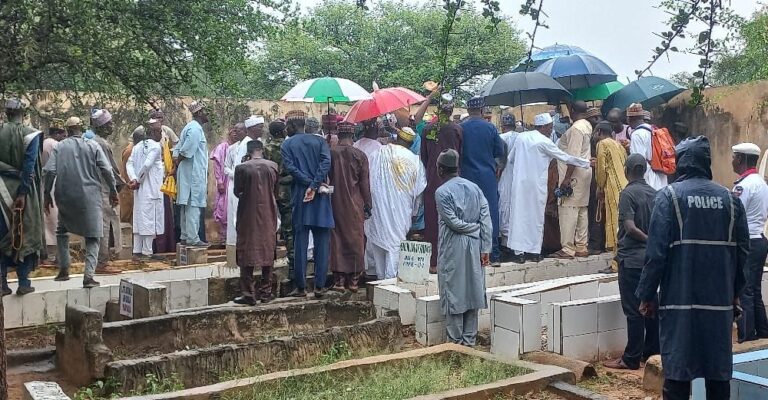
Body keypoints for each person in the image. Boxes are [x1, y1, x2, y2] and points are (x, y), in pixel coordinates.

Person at [636, 136, 749, 400]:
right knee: (717, 373)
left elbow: (656, 254)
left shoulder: (669, 197)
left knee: (677, 372)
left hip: (679, 304)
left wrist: (646, 295)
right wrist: (735, 293)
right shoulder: (731, 201)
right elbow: (742, 253)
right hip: (718, 304)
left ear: (682, 162)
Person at [504, 113, 590, 263]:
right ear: (542, 127)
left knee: (519, 216)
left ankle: (519, 253)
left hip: (520, 184)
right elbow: (565, 157)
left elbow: (510, 159)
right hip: (537, 185)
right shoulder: (544, 142)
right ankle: (534, 252)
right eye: (549, 128)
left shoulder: (521, 137)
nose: (551, 131)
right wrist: (586, 162)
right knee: (536, 218)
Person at [44, 114, 117, 288]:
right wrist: (113, 190)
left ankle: (64, 269)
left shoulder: (59, 147)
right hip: (89, 196)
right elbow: (107, 169)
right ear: (81, 128)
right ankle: (88, 276)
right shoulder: (92, 145)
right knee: (93, 236)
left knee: (62, 231)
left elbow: (49, 171)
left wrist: (46, 194)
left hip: (65, 196)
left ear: (68, 131)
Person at [603, 154, 659, 371]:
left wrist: (648, 240)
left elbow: (630, 227)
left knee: (633, 310)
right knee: (651, 305)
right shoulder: (654, 193)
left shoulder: (628, 193)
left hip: (632, 259)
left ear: (628, 170)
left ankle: (631, 358)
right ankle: (652, 353)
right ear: (643, 169)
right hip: (650, 261)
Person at [434, 149, 492, 346]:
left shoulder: (442, 192)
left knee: (454, 292)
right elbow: (486, 218)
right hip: (475, 246)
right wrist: (485, 247)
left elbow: (454, 223)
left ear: (440, 169)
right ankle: (469, 340)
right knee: (472, 291)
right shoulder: (475, 188)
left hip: (454, 247)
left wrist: (474, 230)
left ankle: (456, 343)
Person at [280, 110, 334, 298]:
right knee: (322, 242)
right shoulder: (320, 141)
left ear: (293, 126)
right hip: (320, 196)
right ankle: (319, 286)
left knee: (300, 243)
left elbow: (291, 169)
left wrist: (308, 185)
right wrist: (316, 184)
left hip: (301, 197)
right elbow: (326, 163)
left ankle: (301, 287)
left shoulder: (287, 144)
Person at [365, 127, 426, 279]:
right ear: (411, 143)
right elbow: (419, 191)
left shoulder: (378, 153)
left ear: (397, 138)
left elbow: (368, 178)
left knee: (379, 242)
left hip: (378, 207)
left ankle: (381, 279)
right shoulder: (415, 161)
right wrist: (414, 211)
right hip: (401, 210)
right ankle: (390, 282)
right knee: (395, 245)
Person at [0, 99, 43, 296]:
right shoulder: (30, 134)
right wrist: (23, 192)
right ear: (24, 114)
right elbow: (30, 164)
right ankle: (23, 282)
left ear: (6, 113)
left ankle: (2, 284)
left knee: (2, 234)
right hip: (24, 192)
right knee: (24, 234)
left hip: (1, 191)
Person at [459, 97, 506, 266]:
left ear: (468, 109)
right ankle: (493, 255)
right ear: (482, 109)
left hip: (466, 177)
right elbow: (500, 151)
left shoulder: (461, 128)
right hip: (487, 177)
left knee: (467, 215)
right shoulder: (491, 128)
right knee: (490, 214)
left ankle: (469, 255)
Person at [233, 139, 278, 304]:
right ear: (261, 150)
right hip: (268, 212)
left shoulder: (242, 168)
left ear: (248, 152)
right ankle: (266, 292)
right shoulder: (273, 166)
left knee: (246, 249)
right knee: (267, 248)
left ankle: (248, 293)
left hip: (248, 214)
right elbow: (276, 191)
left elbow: (238, 192)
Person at [328, 122, 372, 291]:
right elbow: (364, 184)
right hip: (355, 203)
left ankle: (339, 280)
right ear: (353, 135)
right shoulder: (360, 155)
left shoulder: (330, 153)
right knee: (356, 240)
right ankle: (353, 281)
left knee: (336, 239)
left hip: (334, 202)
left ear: (339, 135)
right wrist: (368, 205)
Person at [731, 143, 768, 342]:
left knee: (745, 291)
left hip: (748, 242)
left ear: (742, 159)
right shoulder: (761, 183)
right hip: (760, 240)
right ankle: (763, 333)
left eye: (734, 157)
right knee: (754, 290)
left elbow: (735, 215)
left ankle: (747, 337)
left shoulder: (743, 186)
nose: (732, 161)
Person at [421, 98, 462, 273]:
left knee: (432, 222)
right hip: (453, 180)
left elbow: (423, 157)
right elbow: (461, 154)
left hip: (433, 179)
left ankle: (434, 263)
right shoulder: (457, 129)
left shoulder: (427, 129)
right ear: (451, 110)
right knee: (453, 220)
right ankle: (451, 262)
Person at [554, 103, 600, 259]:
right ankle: (581, 246)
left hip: (574, 174)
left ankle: (567, 248)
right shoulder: (586, 125)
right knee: (581, 209)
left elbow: (572, 157)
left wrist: (566, 178)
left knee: (568, 209)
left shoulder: (576, 129)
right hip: (585, 172)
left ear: (572, 110)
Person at [89, 109, 125, 272]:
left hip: (92, 189)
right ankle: (102, 262)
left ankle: (98, 259)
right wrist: (115, 189)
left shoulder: (90, 141)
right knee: (105, 225)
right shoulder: (102, 144)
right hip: (103, 189)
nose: (112, 126)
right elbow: (110, 170)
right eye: (109, 123)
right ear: (102, 126)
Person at [126, 119, 165, 260]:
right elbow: (147, 165)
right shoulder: (155, 146)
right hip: (150, 189)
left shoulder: (137, 147)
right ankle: (147, 252)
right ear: (154, 132)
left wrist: (133, 178)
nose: (161, 134)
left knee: (139, 219)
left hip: (140, 189)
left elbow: (129, 164)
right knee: (148, 219)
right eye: (160, 131)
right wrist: (137, 180)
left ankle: (137, 250)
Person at [174, 101, 209, 247]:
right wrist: (178, 161)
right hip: (193, 174)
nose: (208, 114)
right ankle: (193, 238)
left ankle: (185, 236)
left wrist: (178, 161)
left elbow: (178, 149)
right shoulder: (195, 129)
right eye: (205, 111)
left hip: (189, 172)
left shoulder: (190, 127)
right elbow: (186, 150)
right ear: (199, 113)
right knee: (193, 204)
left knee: (186, 204)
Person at [264, 120, 294, 277]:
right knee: (289, 230)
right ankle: (292, 267)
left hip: (269, 192)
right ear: (283, 132)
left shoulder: (265, 149)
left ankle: (268, 263)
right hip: (286, 192)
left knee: (269, 228)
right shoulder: (289, 147)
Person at [594, 121, 628, 253]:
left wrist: (599, 187)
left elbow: (601, 169)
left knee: (615, 221)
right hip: (625, 185)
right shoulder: (619, 145)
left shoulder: (602, 144)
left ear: (599, 132)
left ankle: (616, 261)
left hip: (613, 186)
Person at [40, 121, 67, 266]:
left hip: (44, 183)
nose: (64, 137)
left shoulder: (44, 143)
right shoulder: (55, 145)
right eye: (63, 134)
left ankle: (50, 256)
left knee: (47, 220)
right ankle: (52, 257)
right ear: (57, 133)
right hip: (54, 184)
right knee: (54, 221)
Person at [627, 103, 667, 191]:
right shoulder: (653, 129)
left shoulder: (637, 134)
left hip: (649, 181)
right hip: (662, 179)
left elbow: (638, 162)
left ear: (629, 119)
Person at [224, 123, 247, 249]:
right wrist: (234, 173)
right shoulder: (231, 148)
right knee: (232, 211)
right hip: (233, 182)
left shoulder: (249, 144)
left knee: (241, 212)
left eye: (238, 130)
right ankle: (233, 242)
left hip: (244, 183)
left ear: (245, 131)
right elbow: (226, 166)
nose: (236, 133)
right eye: (234, 130)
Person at [209, 127, 234, 245]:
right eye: (232, 132)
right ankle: (223, 237)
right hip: (224, 181)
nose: (234, 134)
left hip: (235, 181)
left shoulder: (240, 147)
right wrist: (219, 181)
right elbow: (217, 165)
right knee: (223, 209)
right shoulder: (222, 147)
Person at [119, 128, 145, 224]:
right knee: (129, 220)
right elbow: (126, 173)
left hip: (131, 189)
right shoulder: (130, 151)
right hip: (129, 190)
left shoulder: (134, 149)